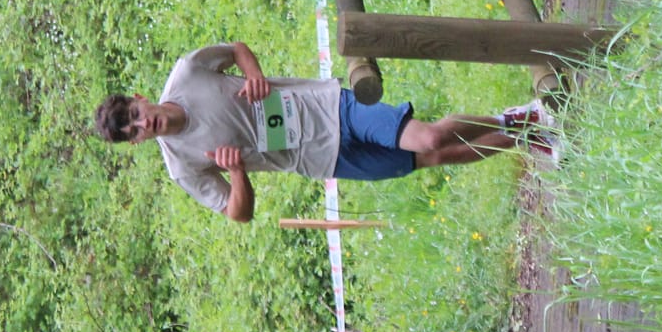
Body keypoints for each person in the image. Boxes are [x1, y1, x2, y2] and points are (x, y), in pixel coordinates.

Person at [93, 41, 549, 222]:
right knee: (435, 156)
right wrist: (236, 174)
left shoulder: (187, 73)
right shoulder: (182, 166)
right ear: (136, 142)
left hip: (329, 105)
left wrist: (254, 74)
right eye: (133, 131)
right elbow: (238, 213)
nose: (142, 123)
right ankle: (528, 134)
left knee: (428, 138)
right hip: (320, 158)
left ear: (139, 98)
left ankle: (518, 119)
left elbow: (234, 50)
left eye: (135, 113)